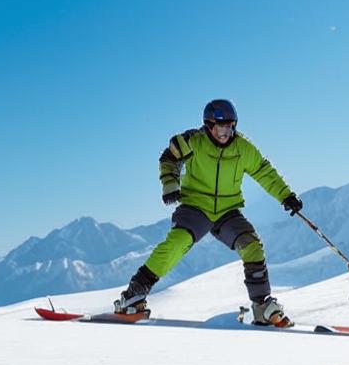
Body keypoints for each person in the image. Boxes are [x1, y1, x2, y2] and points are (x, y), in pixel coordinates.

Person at [114, 99, 303, 327]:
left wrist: (286, 196)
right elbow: (169, 157)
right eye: (220, 128)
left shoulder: (243, 148)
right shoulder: (194, 140)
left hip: (227, 210)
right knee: (177, 242)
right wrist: (170, 185)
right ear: (208, 125)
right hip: (195, 206)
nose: (225, 133)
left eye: (229, 127)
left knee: (250, 243)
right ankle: (133, 296)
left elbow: (265, 172)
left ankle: (262, 305)